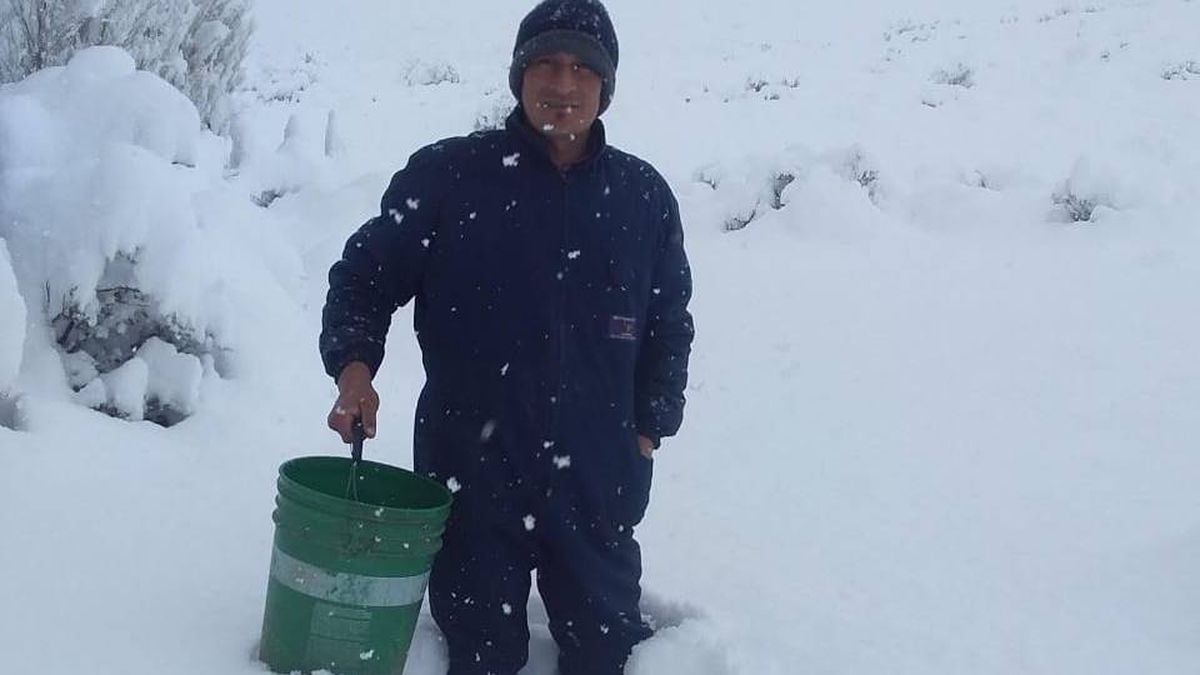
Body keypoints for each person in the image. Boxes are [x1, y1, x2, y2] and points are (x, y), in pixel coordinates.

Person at [320, 1, 694, 672]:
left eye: (583, 67)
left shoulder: (642, 197)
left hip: (597, 475)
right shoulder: (448, 177)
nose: (562, 83)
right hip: (472, 467)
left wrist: (649, 429)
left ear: (606, 86)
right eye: (546, 63)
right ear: (519, 76)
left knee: (607, 647)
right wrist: (355, 370)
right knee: (481, 651)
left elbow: (670, 323)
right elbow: (365, 277)